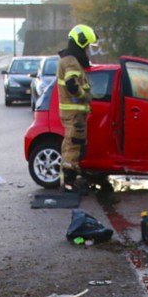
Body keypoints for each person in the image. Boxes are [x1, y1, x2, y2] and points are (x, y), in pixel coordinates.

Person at [56, 24, 97, 192]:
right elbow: (71, 84)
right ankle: (68, 184)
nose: (88, 49)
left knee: (73, 146)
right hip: (74, 113)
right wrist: (84, 96)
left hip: (75, 113)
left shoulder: (70, 59)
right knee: (73, 146)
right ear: (81, 43)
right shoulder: (71, 61)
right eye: (87, 45)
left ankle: (69, 182)